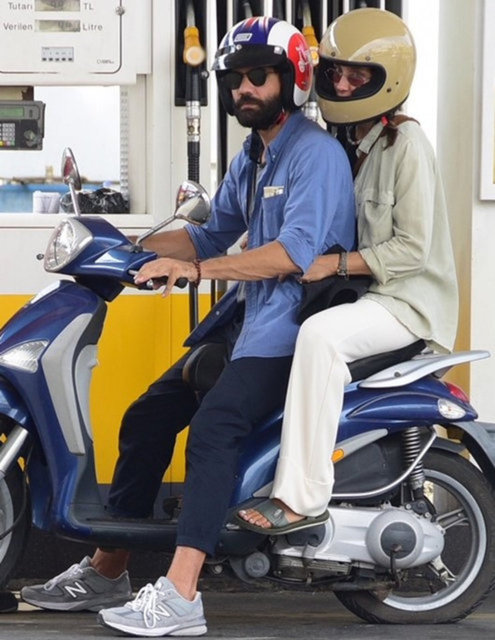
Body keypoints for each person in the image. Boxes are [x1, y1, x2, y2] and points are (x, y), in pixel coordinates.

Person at [21, 17, 356, 637]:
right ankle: (108, 568)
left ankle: (181, 593)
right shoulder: (253, 156)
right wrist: (125, 245)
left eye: (258, 77)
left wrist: (195, 268)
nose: (244, 90)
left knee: (212, 430)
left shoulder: (317, 156)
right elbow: (207, 230)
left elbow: (293, 254)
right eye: (235, 80)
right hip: (246, 324)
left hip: (290, 333)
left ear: (291, 79)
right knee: (146, 417)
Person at [236, 7, 459, 534]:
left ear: (390, 77)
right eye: (335, 71)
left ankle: (300, 498)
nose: (341, 82)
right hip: (359, 297)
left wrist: (332, 263)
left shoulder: (407, 145)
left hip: (407, 302)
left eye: (358, 75)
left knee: (319, 338)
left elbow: (412, 250)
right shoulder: (338, 144)